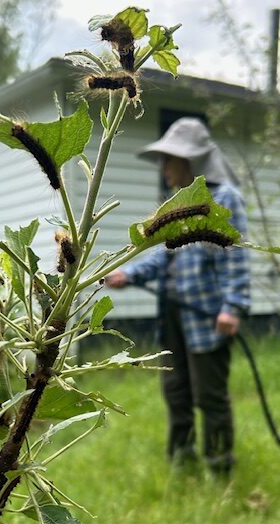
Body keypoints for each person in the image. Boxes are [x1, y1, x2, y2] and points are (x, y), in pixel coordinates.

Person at [106, 117, 250, 472]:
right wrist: (129, 272)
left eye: (169, 159)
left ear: (192, 161)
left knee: (209, 395)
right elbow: (164, 252)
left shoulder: (225, 198)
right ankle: (181, 460)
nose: (164, 167)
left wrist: (233, 306)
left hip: (207, 317)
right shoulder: (177, 204)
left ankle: (219, 462)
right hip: (172, 313)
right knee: (176, 391)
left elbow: (237, 255)